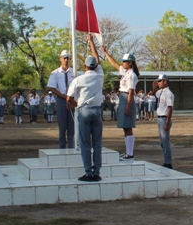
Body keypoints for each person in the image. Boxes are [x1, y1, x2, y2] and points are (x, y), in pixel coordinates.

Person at [66, 35, 104, 181]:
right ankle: (97, 172)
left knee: (85, 143)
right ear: (95, 66)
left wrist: (77, 105)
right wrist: (91, 42)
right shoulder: (99, 76)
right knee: (97, 143)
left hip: (84, 111)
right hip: (97, 110)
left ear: (85, 67)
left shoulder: (78, 79)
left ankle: (88, 172)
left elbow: (69, 98)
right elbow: (97, 58)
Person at [101, 48, 139, 159]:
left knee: (128, 127)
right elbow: (114, 64)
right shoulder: (126, 73)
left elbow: (131, 92)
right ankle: (127, 151)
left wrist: (128, 106)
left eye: (124, 61)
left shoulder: (131, 75)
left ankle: (130, 153)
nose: (122, 63)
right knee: (124, 127)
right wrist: (105, 53)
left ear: (130, 63)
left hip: (127, 98)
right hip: (123, 98)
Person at [47, 50, 76, 149]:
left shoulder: (74, 72)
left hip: (72, 100)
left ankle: (71, 147)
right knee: (62, 126)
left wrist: (71, 99)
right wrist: (65, 97)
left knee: (72, 126)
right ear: (60, 59)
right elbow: (52, 88)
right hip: (61, 100)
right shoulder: (55, 73)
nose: (66, 60)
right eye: (64, 58)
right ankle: (62, 148)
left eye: (68, 58)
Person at [154, 74, 175, 169]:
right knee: (162, 142)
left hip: (164, 118)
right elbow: (155, 94)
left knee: (165, 142)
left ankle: (168, 163)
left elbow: (170, 108)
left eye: (160, 81)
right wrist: (154, 86)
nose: (158, 83)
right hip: (160, 118)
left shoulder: (168, 93)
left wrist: (167, 122)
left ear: (165, 81)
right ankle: (166, 160)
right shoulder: (161, 92)